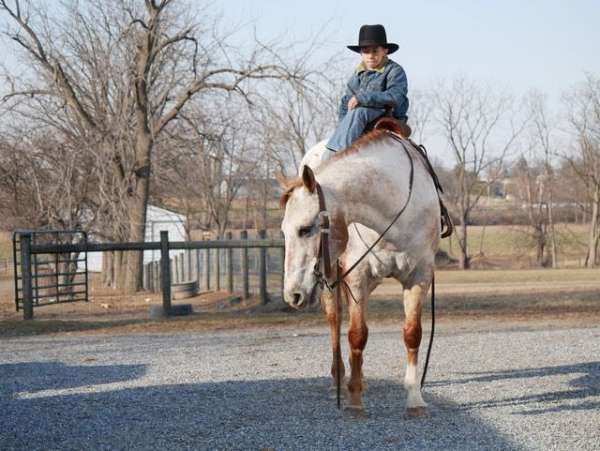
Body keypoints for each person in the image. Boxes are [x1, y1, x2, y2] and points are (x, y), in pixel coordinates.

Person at [327, 24, 409, 152]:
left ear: (385, 51)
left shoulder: (394, 70)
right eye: (366, 51)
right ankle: (333, 150)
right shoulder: (358, 73)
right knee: (353, 112)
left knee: (360, 112)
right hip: (358, 119)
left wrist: (363, 97)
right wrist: (344, 124)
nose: (371, 55)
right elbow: (347, 100)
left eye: (375, 51)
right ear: (361, 53)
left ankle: (338, 153)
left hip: (387, 114)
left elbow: (395, 96)